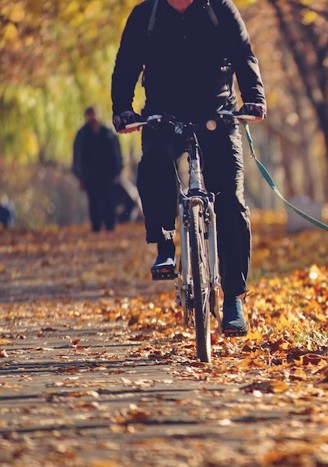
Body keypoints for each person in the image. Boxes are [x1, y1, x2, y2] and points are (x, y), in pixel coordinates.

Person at [111, 0, 266, 336]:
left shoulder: (219, 9)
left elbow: (243, 53)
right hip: (163, 115)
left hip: (217, 113)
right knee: (154, 163)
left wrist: (254, 97)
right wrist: (123, 108)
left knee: (231, 202)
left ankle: (233, 299)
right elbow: (126, 65)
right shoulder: (146, 15)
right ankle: (165, 246)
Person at [72, 107, 124, 233]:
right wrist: (80, 176)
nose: (93, 118)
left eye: (94, 114)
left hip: (108, 176)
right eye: (90, 115)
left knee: (109, 202)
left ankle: (110, 227)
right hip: (90, 176)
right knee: (94, 203)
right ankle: (96, 228)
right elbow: (77, 157)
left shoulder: (108, 133)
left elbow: (117, 154)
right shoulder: (82, 135)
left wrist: (117, 172)